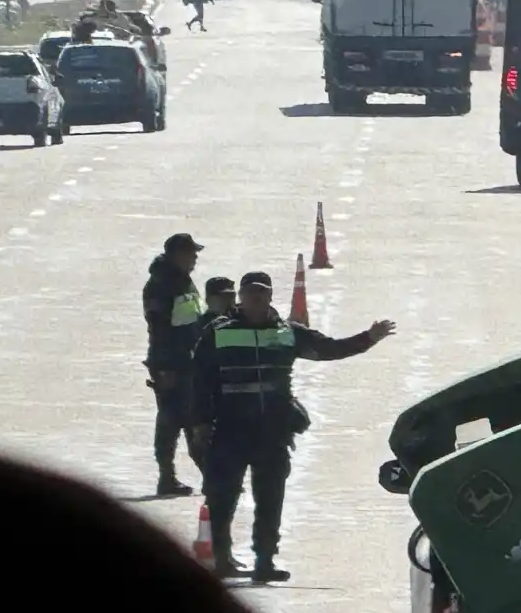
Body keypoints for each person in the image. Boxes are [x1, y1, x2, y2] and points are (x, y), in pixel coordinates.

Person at [190, 271, 397, 583]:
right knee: (222, 497)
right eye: (252, 293)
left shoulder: (288, 332)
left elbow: (330, 349)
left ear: (271, 296)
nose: (258, 299)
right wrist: (200, 424)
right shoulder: (218, 332)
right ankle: (221, 558)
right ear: (241, 297)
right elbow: (199, 380)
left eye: (263, 293)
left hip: (272, 430)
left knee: (270, 497)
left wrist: (369, 337)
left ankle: (264, 560)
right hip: (230, 429)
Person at [143, 233, 207, 497]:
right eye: (191, 253)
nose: (195, 258)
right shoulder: (161, 284)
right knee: (174, 420)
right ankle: (168, 477)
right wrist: (166, 368)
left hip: (186, 359)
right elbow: (160, 329)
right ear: (177, 254)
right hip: (171, 362)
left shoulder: (180, 280)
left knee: (192, 416)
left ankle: (209, 474)